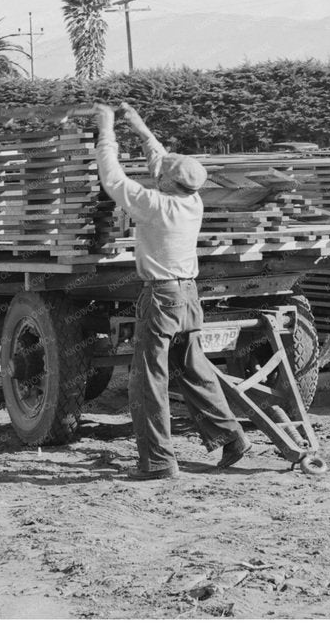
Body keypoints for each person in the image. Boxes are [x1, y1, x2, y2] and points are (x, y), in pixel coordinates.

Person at [93, 101, 251, 481]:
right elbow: (161, 160)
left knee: (149, 382)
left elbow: (112, 179)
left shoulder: (154, 205)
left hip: (161, 299)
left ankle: (160, 462)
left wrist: (107, 130)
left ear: (167, 183)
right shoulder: (191, 200)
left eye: (161, 174)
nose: (156, 172)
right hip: (188, 297)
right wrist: (139, 126)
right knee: (194, 370)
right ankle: (232, 439)